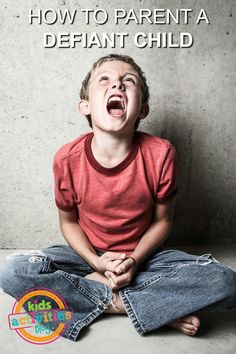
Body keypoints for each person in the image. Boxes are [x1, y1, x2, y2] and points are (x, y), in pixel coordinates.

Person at [1, 54, 236, 341]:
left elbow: (163, 221)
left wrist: (135, 261)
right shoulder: (67, 158)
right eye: (105, 80)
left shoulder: (161, 154)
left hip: (145, 260)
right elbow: (69, 223)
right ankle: (137, 306)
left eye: (128, 81)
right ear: (85, 105)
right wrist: (97, 263)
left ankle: (87, 297)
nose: (118, 86)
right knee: (12, 271)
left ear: (143, 110)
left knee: (225, 282)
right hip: (86, 258)